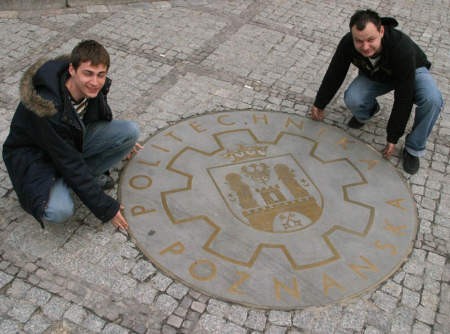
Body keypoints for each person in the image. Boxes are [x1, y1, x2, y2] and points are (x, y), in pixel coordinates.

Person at [2, 40, 141, 230]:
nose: (95, 82)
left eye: (101, 75)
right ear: (72, 70)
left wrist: (117, 142)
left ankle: (78, 181)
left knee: (129, 133)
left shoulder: (90, 89)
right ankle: (54, 188)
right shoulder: (47, 108)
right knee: (59, 211)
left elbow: (94, 118)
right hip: (35, 158)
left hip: (66, 145)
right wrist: (107, 208)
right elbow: (69, 162)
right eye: (88, 73)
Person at [310, 9, 443, 174]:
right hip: (378, 74)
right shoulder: (347, 43)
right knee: (353, 98)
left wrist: (393, 136)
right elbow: (335, 72)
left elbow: (404, 96)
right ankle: (369, 111)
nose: (365, 47)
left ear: (381, 31)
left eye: (370, 39)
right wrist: (320, 103)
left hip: (411, 71)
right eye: (359, 41)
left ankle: (413, 148)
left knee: (433, 100)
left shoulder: (401, 47)